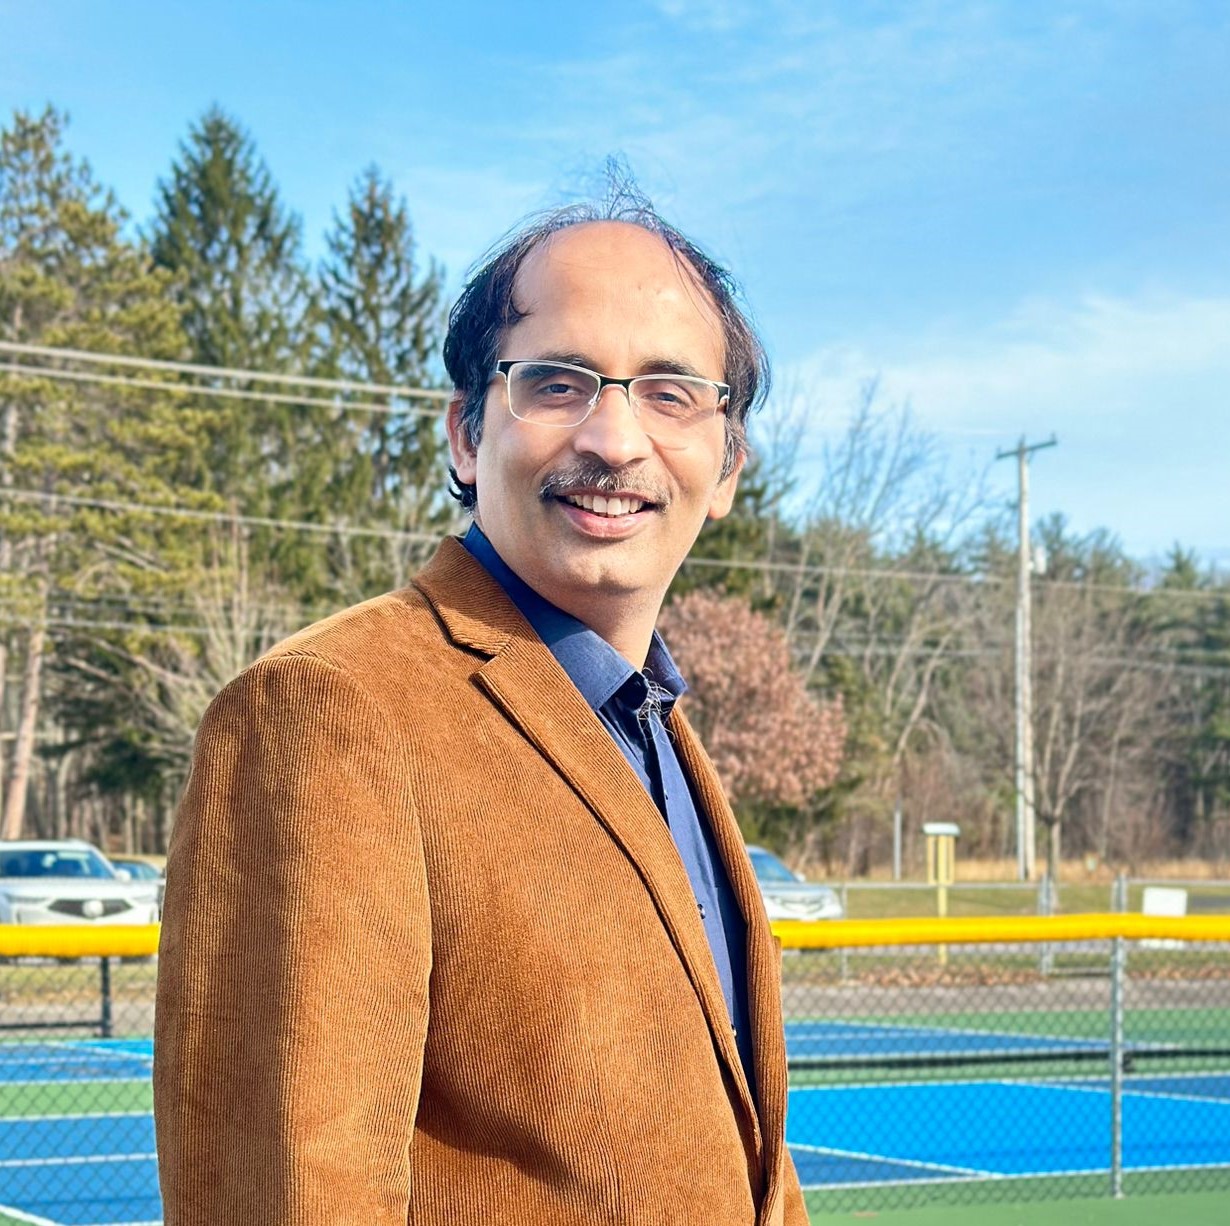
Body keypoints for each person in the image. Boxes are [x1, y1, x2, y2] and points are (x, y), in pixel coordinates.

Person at [153, 187, 809, 1225]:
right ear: (466, 434)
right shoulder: (325, 709)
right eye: (558, 382)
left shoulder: (654, 727)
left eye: (672, 393)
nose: (616, 438)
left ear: (727, 465)